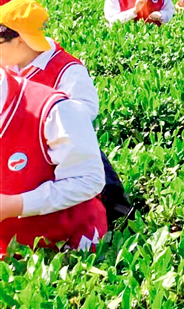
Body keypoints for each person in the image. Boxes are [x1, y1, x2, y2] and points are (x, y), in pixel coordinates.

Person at [0, 0, 130, 231]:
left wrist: (45, 113)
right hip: (20, 148)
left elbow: (83, 115)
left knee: (96, 188)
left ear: (21, 40)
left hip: (57, 145)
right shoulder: (10, 63)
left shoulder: (67, 70)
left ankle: (119, 215)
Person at [0, 68, 106, 256]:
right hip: (7, 249)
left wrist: (15, 205)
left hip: (65, 249)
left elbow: (88, 179)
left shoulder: (56, 109)